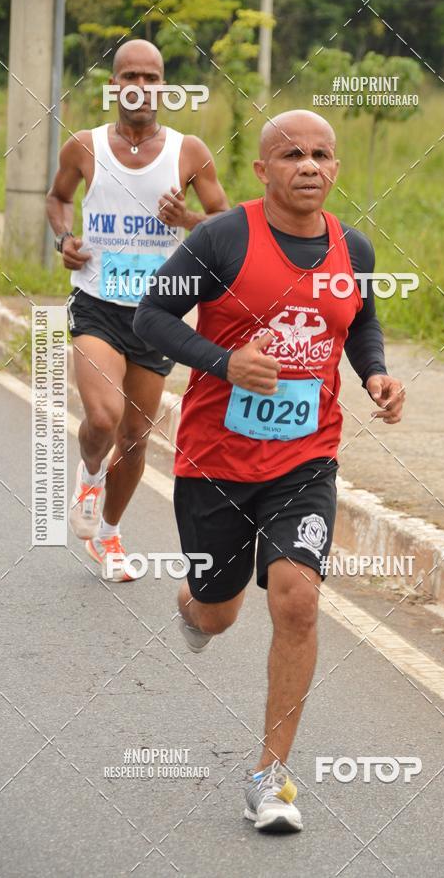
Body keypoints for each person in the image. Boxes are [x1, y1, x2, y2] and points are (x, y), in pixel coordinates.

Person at [134, 109, 405, 831]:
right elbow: (150, 318)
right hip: (216, 460)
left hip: (305, 459)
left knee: (297, 600)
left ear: (335, 167)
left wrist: (375, 373)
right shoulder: (221, 238)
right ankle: (195, 602)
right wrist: (224, 362)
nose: (309, 166)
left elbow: (362, 320)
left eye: (321, 154)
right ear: (262, 170)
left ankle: (270, 777)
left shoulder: (354, 247)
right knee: (217, 612)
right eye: (292, 155)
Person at [46, 39, 229, 581]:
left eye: (151, 78)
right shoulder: (84, 146)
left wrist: (188, 219)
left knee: (135, 436)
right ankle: (88, 475)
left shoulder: (189, 152)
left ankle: (109, 533)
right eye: (130, 76)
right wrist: (64, 240)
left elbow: (224, 221)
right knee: (103, 417)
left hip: (158, 312)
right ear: (113, 85)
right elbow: (57, 198)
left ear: (164, 87)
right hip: (97, 303)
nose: (140, 87)